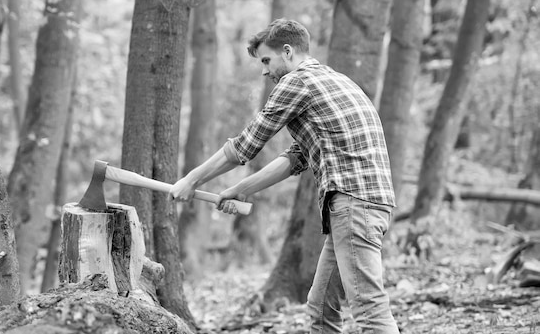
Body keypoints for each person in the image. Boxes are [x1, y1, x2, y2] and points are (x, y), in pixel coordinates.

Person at [170, 18, 399, 333]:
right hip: (365, 204)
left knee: (371, 312)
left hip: (353, 205)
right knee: (320, 309)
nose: (265, 71)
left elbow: (244, 146)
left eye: (267, 60)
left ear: (288, 51)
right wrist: (241, 188)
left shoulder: (297, 82)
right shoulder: (332, 81)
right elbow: (296, 157)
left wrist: (191, 179)